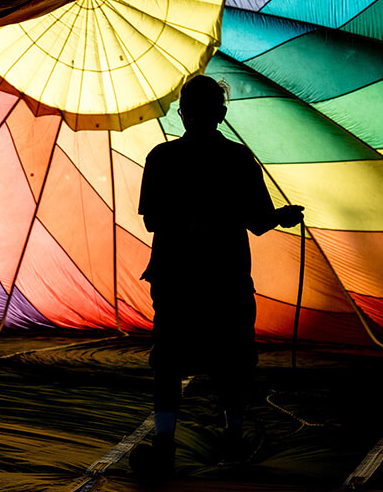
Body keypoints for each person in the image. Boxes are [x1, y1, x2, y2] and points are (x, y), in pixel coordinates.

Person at [132, 75, 303, 478]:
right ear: (222, 115)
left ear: (182, 113)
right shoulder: (238, 158)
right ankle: (234, 434)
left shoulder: (161, 157)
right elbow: (259, 223)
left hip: (174, 277)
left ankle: (164, 442)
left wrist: (188, 222)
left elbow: (152, 219)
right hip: (226, 277)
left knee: (170, 358)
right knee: (233, 356)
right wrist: (282, 216)